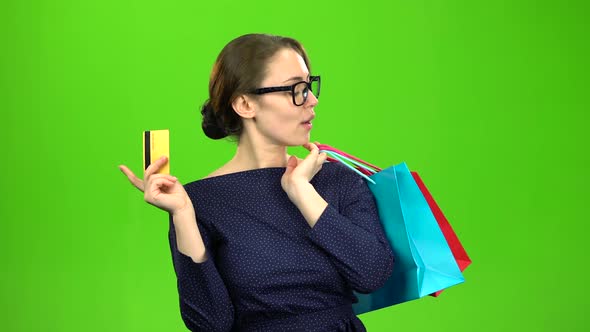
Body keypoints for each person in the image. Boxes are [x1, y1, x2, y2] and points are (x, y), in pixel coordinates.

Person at [119, 33, 394, 332]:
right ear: (245, 104)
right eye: (296, 89)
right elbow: (211, 324)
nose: (312, 100)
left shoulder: (338, 180)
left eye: (309, 85)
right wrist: (183, 215)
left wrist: (303, 193)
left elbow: (372, 274)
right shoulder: (197, 202)